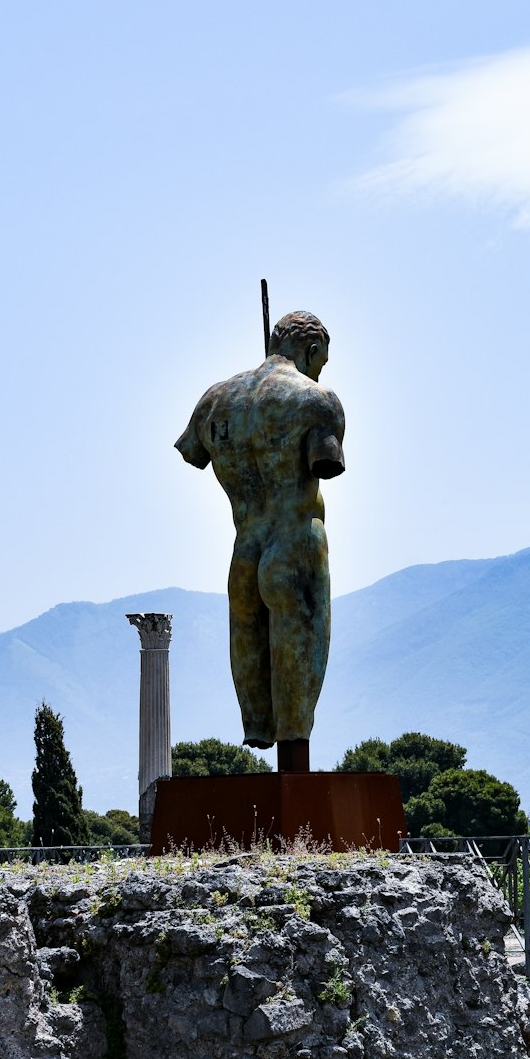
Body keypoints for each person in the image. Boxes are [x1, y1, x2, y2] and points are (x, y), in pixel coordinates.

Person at [175, 310, 345, 769]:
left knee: (251, 662)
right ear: (311, 352)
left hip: (244, 553)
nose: (321, 371)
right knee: (302, 663)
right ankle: (294, 754)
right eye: (321, 362)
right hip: (294, 547)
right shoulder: (316, 401)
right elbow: (324, 464)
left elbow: (193, 452)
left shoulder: (216, 401)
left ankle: (255, 726)